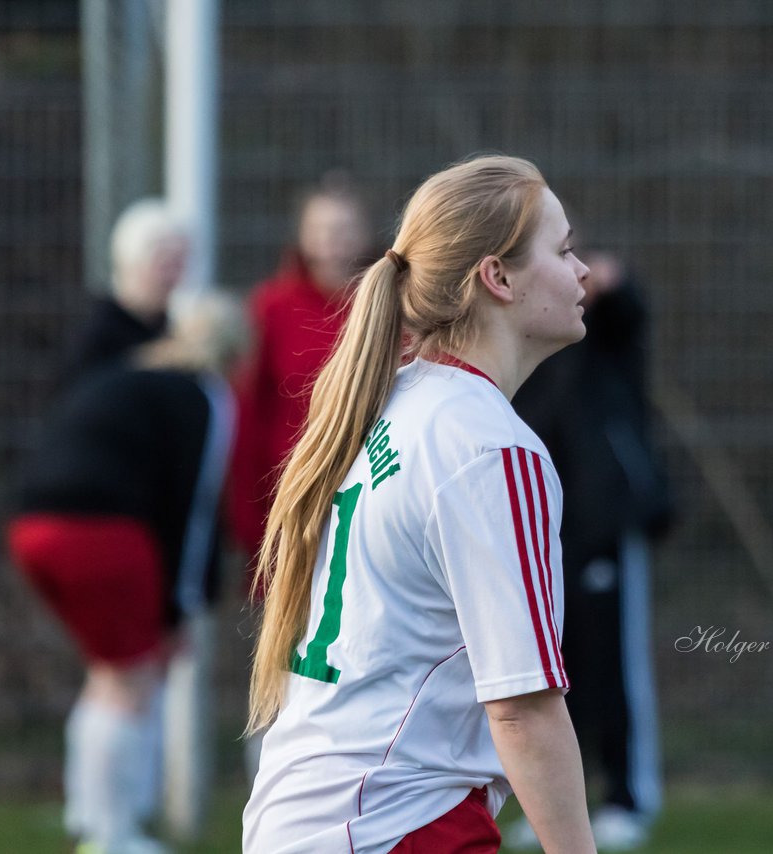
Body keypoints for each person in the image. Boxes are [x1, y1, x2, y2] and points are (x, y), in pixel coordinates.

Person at [242, 155, 598, 854]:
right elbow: (524, 708)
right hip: (394, 824)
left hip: (308, 819)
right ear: (497, 277)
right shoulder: (492, 450)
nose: (583, 270)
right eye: (562, 250)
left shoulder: (393, 404)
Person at [8, 290, 246, 854]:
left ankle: (89, 817)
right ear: (236, 352)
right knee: (132, 680)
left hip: (30, 526)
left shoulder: (127, 376)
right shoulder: (206, 396)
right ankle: (113, 836)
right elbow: (194, 508)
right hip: (100, 532)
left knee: (107, 672)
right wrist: (183, 607)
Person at [509, 253, 677, 851]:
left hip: (603, 527)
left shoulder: (596, 326)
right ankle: (553, 805)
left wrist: (619, 282)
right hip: (539, 530)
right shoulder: (514, 342)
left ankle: (628, 797)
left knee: (615, 669)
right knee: (547, 674)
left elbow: (630, 315)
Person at [226, 172, 373, 589]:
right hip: (292, 502)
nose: (334, 242)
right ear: (303, 236)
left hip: (369, 501)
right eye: (323, 230)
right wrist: (251, 520)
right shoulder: (270, 307)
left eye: (344, 230)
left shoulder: (390, 307)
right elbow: (248, 412)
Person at [61, 198, 189, 388]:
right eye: (163, 265)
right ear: (130, 265)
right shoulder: (97, 335)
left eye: (179, 265)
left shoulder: (169, 330)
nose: (172, 279)